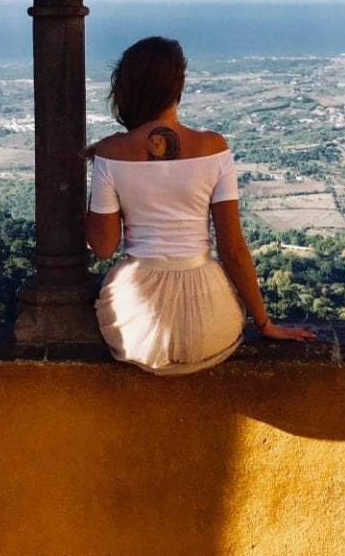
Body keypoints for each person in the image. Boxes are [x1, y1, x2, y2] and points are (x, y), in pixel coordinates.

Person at [86, 36, 316, 375]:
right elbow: (233, 249)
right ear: (179, 85)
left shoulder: (109, 152)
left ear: (126, 87)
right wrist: (264, 323)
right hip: (210, 322)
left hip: (137, 326)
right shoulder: (213, 147)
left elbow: (104, 247)